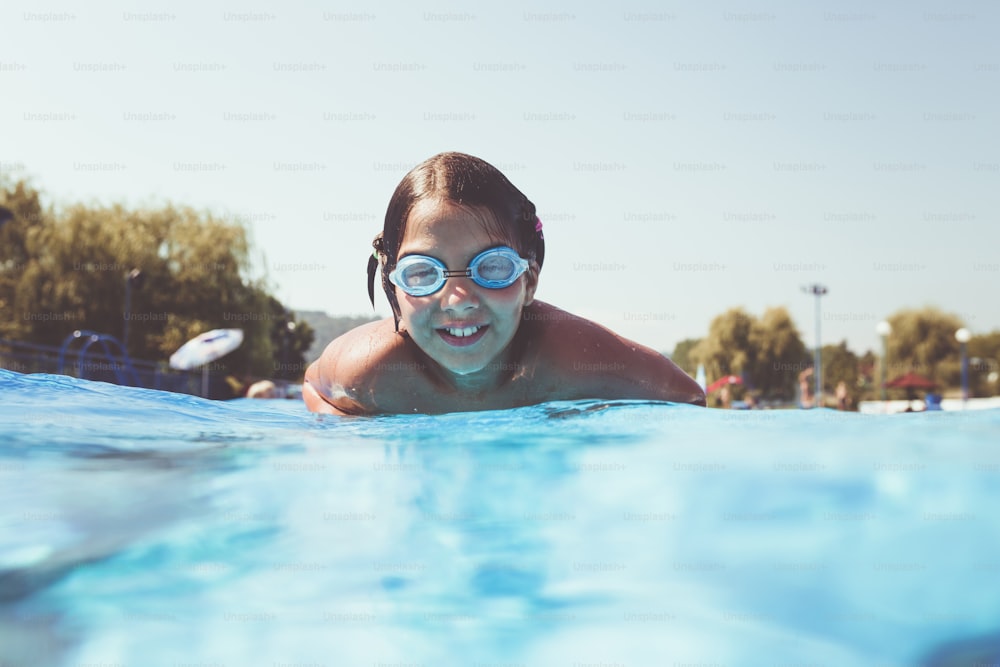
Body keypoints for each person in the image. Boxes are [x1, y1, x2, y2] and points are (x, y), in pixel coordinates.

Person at [303, 152, 705, 416]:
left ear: (529, 280)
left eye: (491, 268)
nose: (458, 301)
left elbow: (689, 399)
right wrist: (343, 432)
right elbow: (313, 386)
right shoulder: (372, 369)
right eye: (423, 273)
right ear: (394, 287)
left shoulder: (567, 360)